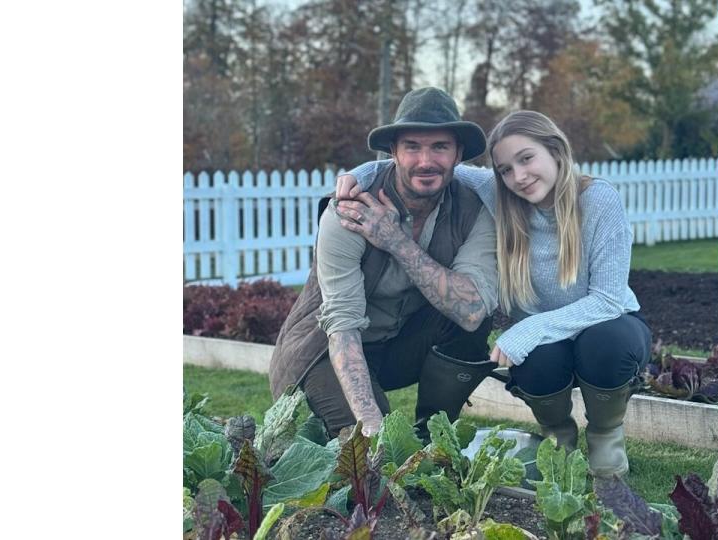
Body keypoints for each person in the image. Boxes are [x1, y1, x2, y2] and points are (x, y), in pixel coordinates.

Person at [336, 110, 652, 478]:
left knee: (606, 343)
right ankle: (558, 440)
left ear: (555, 150)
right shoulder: (499, 194)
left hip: (606, 323)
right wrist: (355, 175)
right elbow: (417, 168)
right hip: (548, 339)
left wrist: (527, 330)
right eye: (505, 169)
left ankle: (605, 437)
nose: (519, 176)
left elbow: (608, 300)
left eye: (527, 158)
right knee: (538, 362)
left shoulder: (597, 199)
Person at [268, 87, 500, 441]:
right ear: (393, 152)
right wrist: (371, 424)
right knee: (376, 448)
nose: (426, 160)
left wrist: (396, 242)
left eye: (440, 146)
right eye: (412, 147)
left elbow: (472, 310)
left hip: (396, 347)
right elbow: (342, 327)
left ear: (458, 155)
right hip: (323, 351)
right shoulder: (349, 209)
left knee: (472, 320)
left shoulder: (473, 209)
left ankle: (435, 436)